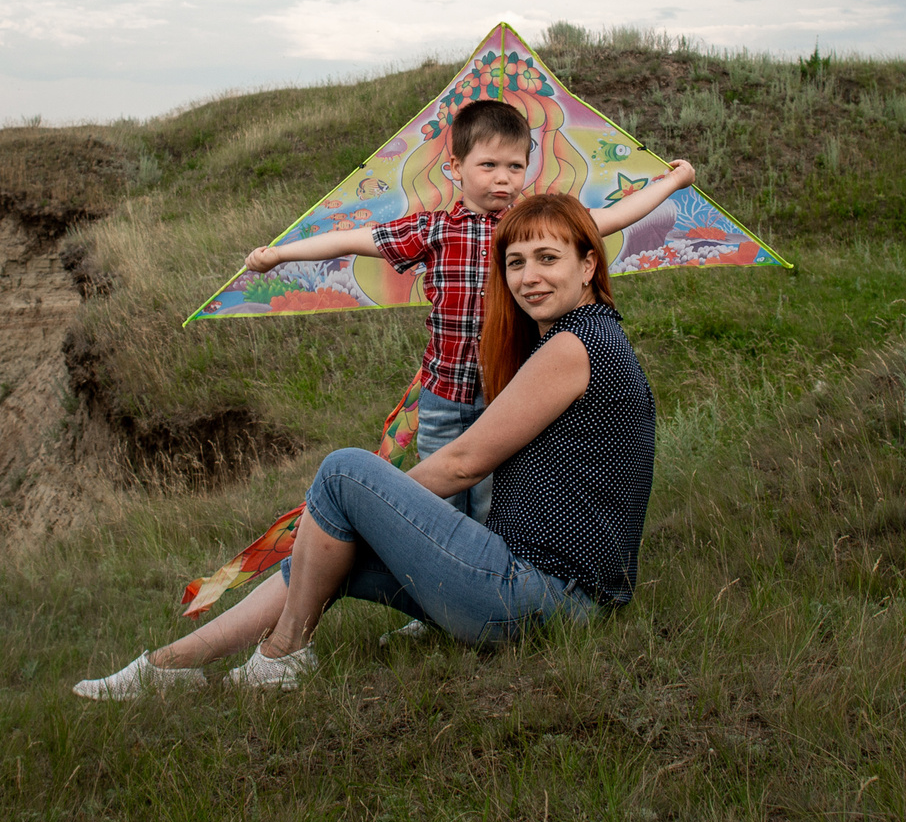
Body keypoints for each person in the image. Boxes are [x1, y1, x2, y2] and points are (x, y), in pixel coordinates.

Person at [74, 191, 656, 697]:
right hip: (557, 596)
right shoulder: (585, 337)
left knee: (344, 473)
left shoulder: (574, 345)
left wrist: (366, 506)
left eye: (548, 258)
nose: (528, 277)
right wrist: (347, 524)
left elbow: (463, 464)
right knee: (324, 558)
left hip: (541, 596)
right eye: (515, 262)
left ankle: (282, 656)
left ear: (588, 264)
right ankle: (168, 667)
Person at [241, 96, 686, 514]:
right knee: (436, 505)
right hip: (444, 395)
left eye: (515, 166)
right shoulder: (433, 230)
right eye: (488, 165)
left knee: (494, 506)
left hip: (508, 391)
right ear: (456, 167)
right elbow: (355, 239)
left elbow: (612, 217)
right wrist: (280, 254)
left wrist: (673, 182)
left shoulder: (530, 229)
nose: (503, 178)